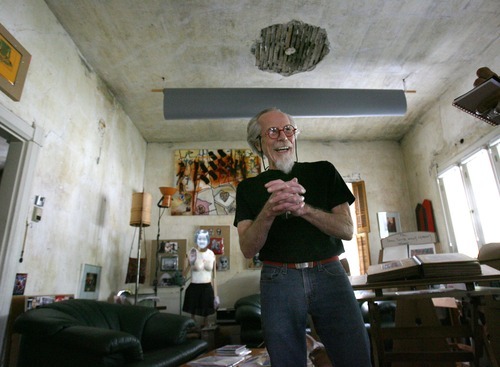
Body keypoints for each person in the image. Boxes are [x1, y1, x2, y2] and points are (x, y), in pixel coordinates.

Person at [234, 108, 372, 367]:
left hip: (330, 272)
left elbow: (346, 229)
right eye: (272, 131)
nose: (282, 137)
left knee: (356, 357)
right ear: (258, 143)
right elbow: (247, 248)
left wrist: (302, 209)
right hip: (278, 279)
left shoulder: (323, 171)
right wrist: (270, 209)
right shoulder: (248, 188)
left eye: (288, 129)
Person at [182, 229, 218, 327]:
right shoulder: (192, 252)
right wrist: (190, 263)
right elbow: (183, 274)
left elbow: (214, 276)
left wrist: (216, 295)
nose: (202, 241)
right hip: (194, 288)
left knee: (206, 321)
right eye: (199, 238)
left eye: (204, 238)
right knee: (192, 322)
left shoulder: (211, 254)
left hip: (207, 288)